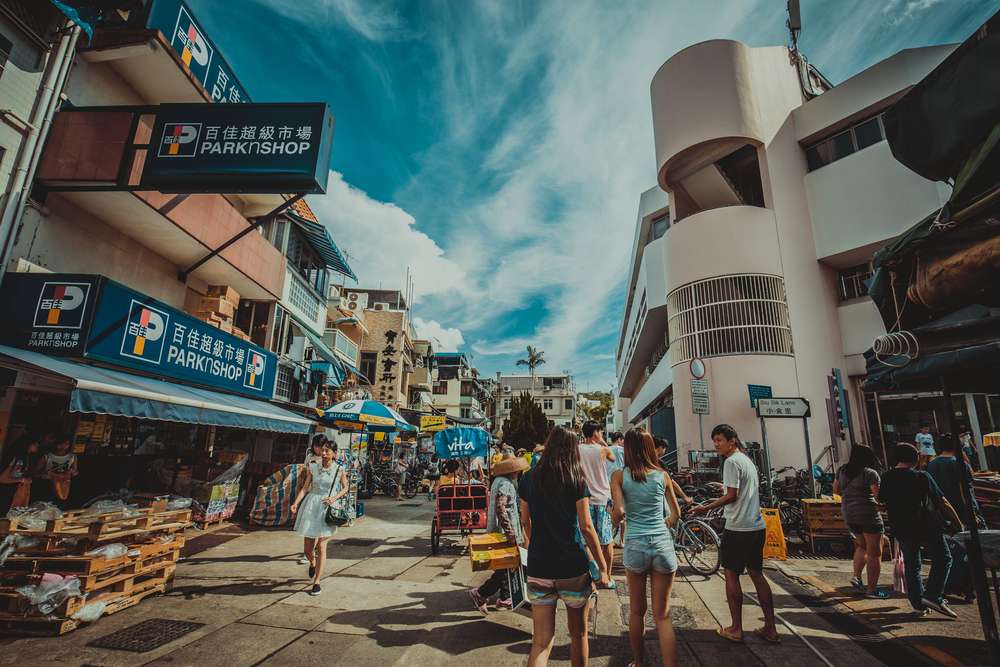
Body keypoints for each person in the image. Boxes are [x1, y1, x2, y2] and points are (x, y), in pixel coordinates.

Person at [519, 427, 610, 667]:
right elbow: (587, 527)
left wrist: (534, 541)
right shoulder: (576, 478)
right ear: (572, 449)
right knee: (578, 635)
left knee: (540, 642)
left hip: (539, 565)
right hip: (573, 567)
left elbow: (524, 521)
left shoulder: (529, 477)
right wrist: (603, 566)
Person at [690, 424, 778, 644]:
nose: (716, 444)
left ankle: (736, 628)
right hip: (756, 526)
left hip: (738, 528)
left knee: (731, 575)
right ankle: (770, 628)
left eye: (720, 440)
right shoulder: (747, 461)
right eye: (714, 440)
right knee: (757, 574)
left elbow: (732, 496)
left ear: (732, 440)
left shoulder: (731, 462)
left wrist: (705, 507)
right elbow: (739, 490)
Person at [611, 429, 681, 666]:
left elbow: (619, 512)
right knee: (663, 615)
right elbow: (676, 514)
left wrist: (614, 521)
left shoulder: (620, 476)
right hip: (662, 544)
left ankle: (639, 662)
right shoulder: (662, 476)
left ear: (627, 449)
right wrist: (663, 524)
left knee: (636, 611)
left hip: (636, 545)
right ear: (651, 447)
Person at [879, 443, 962, 618]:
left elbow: (882, 502)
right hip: (926, 525)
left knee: (912, 565)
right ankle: (932, 595)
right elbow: (942, 502)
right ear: (915, 457)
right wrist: (958, 522)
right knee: (944, 558)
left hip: (901, 527)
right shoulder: (921, 476)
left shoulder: (886, 478)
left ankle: (918, 605)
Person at [470, 454, 529, 613]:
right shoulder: (506, 484)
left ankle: (504, 598)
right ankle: (481, 593)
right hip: (504, 533)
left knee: (507, 566)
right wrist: (510, 533)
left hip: (501, 531)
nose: (518, 472)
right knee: (505, 567)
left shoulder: (497, 481)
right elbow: (501, 508)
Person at [290, 441, 349, 596]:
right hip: (311, 506)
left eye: (327, 451)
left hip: (328, 508)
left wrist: (334, 497)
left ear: (334, 454)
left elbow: (345, 487)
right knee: (308, 549)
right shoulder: (313, 467)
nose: (323, 454)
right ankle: (312, 563)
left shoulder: (339, 469)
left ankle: (317, 582)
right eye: (322, 451)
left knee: (322, 547)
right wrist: (296, 503)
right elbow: (305, 488)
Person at [833, 446, 887, 599]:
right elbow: (878, 496)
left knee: (862, 545)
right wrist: (883, 505)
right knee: (875, 553)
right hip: (868, 514)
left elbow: (836, 490)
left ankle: (857, 577)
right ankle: (872, 590)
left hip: (849, 513)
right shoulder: (870, 473)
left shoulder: (842, 470)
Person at [578, 420, 616, 588]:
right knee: (606, 540)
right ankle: (607, 574)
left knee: (586, 539)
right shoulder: (603, 449)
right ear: (595, 433)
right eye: (600, 432)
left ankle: (594, 571)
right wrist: (602, 442)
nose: (602, 434)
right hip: (602, 498)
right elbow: (613, 458)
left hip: (583, 499)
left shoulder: (577, 449)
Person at [927, 434, 981, 527]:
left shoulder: (931, 464)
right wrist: (973, 514)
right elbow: (965, 491)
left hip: (944, 513)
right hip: (963, 513)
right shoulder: (961, 464)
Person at [0, 434, 39, 515]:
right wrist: (21, 479)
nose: (37, 446)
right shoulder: (15, 457)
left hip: (16, 490)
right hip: (7, 491)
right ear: (28, 444)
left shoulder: (26, 457)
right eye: (35, 444)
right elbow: (2, 479)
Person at [34, 434, 77, 507]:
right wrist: (44, 473)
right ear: (56, 444)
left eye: (67, 444)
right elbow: (34, 473)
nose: (64, 446)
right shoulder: (47, 457)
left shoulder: (72, 457)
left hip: (63, 486)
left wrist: (72, 471)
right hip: (47, 486)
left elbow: (75, 472)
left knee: (60, 505)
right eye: (61, 444)